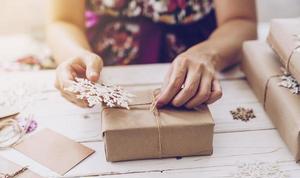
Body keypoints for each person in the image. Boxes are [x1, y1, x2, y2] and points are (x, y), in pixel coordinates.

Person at [47, 0, 257, 108]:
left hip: (195, 64)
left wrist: (208, 54)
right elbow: (63, 21)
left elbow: (241, 22)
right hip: (100, 61)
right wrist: (74, 55)